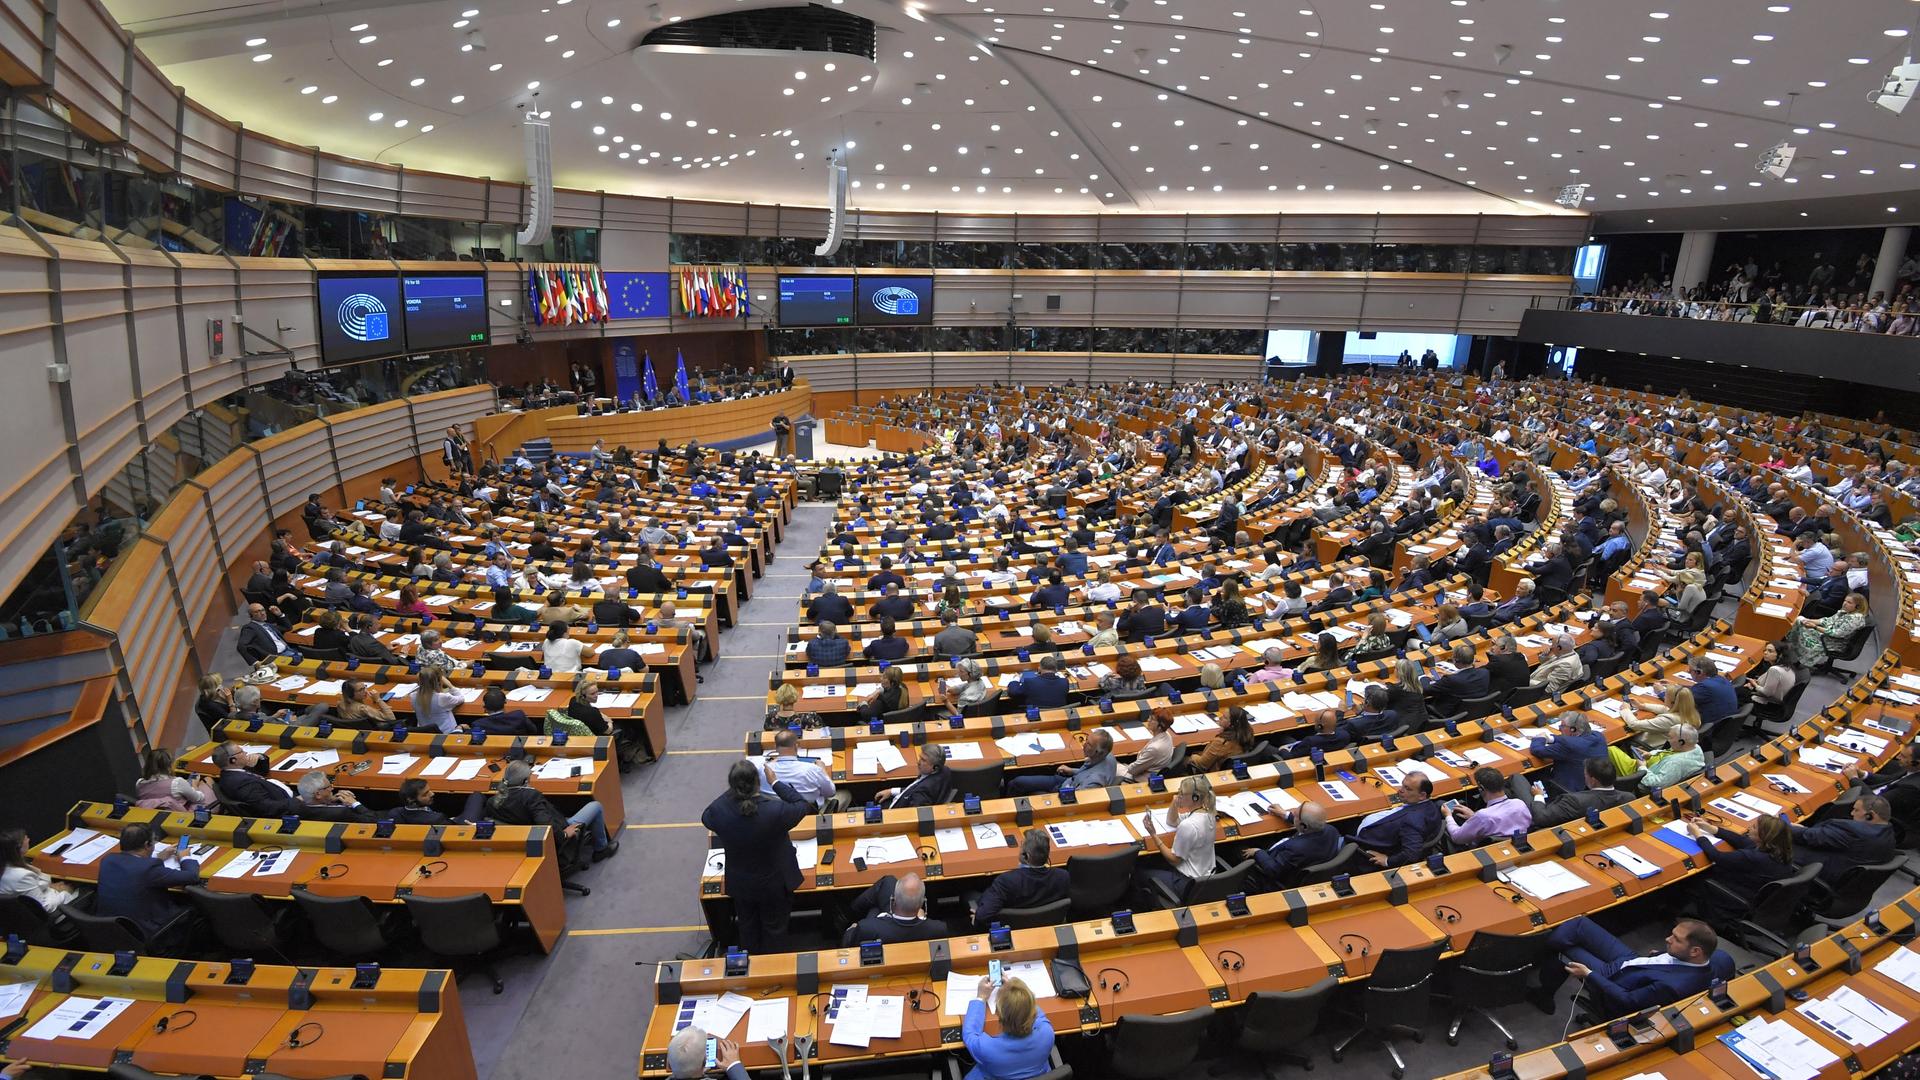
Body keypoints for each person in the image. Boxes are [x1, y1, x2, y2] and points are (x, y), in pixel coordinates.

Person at [701, 759, 814, 951]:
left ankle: (751, 966)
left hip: (741, 883)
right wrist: (776, 783)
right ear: (758, 782)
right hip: (775, 883)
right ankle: (772, 969)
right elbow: (802, 804)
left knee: (747, 927)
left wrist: (733, 789)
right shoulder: (776, 811)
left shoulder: (719, 812)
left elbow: (706, 816)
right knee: (775, 929)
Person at [1531, 917, 1727, 1017]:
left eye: (1676, 939)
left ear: (1695, 952)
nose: (1667, 939)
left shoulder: (1672, 986)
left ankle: (1542, 992)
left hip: (1613, 979)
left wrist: (1589, 974)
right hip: (1632, 961)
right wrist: (1659, 956)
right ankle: (1545, 949)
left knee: (1562, 948)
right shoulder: (1715, 957)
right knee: (1579, 925)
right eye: (1671, 934)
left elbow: (1628, 1000)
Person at [489, 759, 618, 862]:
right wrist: (564, 834)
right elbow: (544, 822)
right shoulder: (531, 796)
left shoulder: (493, 800)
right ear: (524, 780)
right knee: (595, 806)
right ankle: (601, 850)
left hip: (526, 841)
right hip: (557, 835)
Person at [1681, 814, 1796, 924]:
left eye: (1754, 827)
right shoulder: (1779, 850)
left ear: (1763, 836)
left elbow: (1716, 856)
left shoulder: (1752, 858)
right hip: (1752, 892)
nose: (1749, 827)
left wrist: (1698, 835)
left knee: (1695, 875)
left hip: (1732, 900)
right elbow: (1742, 841)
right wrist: (1713, 829)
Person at [94, 822, 200, 937]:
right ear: (146, 845)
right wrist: (184, 856)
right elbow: (192, 876)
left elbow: (134, 867)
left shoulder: (108, 860)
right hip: (146, 932)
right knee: (196, 907)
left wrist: (158, 857)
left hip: (111, 929)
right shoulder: (149, 869)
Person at [1136, 775, 1218, 906]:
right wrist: (1174, 802)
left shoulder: (1189, 825)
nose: (1178, 795)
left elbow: (1174, 860)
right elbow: (1172, 821)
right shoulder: (1209, 815)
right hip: (1204, 878)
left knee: (1138, 872)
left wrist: (1153, 834)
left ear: (1195, 797)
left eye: (1182, 793)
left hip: (1186, 883)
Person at [961, 974, 1055, 1080]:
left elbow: (970, 1034)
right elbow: (1033, 1009)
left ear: (998, 1014)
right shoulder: (1047, 1034)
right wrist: (1016, 995)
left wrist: (981, 997)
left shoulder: (987, 1048)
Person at [1791, 793, 1896, 887]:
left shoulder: (1855, 831)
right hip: (1847, 881)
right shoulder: (1888, 833)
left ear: (1870, 815)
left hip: (1817, 873)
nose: (1852, 813)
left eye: (1856, 810)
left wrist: (1781, 825)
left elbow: (1808, 837)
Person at [973, 829, 1069, 928]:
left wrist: (977, 915)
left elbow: (983, 915)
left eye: (1021, 846)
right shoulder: (1064, 876)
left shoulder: (1006, 881)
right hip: (1047, 925)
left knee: (967, 896)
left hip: (1012, 929)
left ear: (1026, 856)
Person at [1353, 772, 1441, 867]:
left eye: (1408, 789)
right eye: (1403, 785)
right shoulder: (1430, 805)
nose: (1400, 790)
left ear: (1422, 795)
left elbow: (1412, 853)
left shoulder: (1412, 820)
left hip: (1366, 844)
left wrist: (1388, 861)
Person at [1251, 801, 1342, 887]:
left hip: (1277, 873)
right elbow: (1307, 824)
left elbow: (1273, 870)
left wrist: (1257, 852)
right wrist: (1284, 814)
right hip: (1303, 861)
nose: (1293, 812)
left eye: (1296, 815)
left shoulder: (1295, 850)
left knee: (1239, 848)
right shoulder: (1331, 830)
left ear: (1303, 826)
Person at [843, 872, 949, 946]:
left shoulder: (866, 927)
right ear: (922, 903)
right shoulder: (938, 929)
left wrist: (853, 927)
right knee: (889, 882)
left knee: (874, 909)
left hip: (882, 929)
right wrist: (922, 918)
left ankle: (845, 915)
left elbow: (847, 942)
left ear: (893, 900)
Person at [1530, 756, 1634, 827]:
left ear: (1593, 780)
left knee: (1517, 779)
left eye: (1585, 775)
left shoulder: (1574, 801)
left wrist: (1539, 796)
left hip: (1548, 820)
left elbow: (1541, 818)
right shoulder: (1629, 798)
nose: (1584, 777)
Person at [1006, 730, 1116, 796]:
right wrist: (1072, 771)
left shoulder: (1094, 782)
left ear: (1099, 752)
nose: (1083, 745)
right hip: (1068, 779)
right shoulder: (1108, 756)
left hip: (1063, 789)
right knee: (1019, 779)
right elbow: (1087, 772)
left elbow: (1075, 799)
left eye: (1089, 744)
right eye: (1086, 740)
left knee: (1017, 782)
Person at [1444, 766, 1533, 847]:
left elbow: (1457, 837)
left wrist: (1448, 816)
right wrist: (1473, 816)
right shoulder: (1519, 804)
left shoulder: (1483, 816)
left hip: (1487, 851)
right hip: (1517, 845)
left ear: (1481, 788)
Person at [0, 827, 81, 914]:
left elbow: (24, 890)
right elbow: (45, 907)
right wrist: (64, 892)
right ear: (19, 847)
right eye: (25, 838)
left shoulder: (8, 865)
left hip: (13, 913)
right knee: (84, 890)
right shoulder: (22, 876)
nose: (28, 839)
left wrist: (49, 886)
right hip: (43, 916)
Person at [212, 741, 299, 816]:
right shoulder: (242, 783)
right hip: (288, 806)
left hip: (282, 796)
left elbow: (262, 772)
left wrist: (260, 757)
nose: (246, 753)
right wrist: (297, 801)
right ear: (233, 760)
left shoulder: (231, 773)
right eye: (241, 752)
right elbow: (268, 808)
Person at [761, 728, 837, 809]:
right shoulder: (813, 770)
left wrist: (771, 763)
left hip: (779, 814)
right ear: (796, 746)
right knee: (845, 795)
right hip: (810, 813)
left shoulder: (764, 771)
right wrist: (822, 769)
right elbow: (831, 792)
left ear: (775, 747)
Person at [1530, 714, 1606, 794]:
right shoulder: (1598, 736)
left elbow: (1537, 750)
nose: (1559, 729)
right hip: (1592, 788)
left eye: (1562, 726)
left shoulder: (1568, 745)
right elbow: (1573, 740)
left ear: (1573, 729)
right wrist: (1551, 738)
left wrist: (1540, 738)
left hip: (1567, 791)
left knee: (1531, 776)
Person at [874, 744, 953, 809]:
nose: (918, 762)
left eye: (923, 760)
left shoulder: (922, 793)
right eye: (920, 758)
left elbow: (913, 816)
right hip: (902, 798)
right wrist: (891, 791)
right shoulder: (944, 770)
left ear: (934, 767)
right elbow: (913, 788)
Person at [134, 749, 215, 812]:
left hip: (157, 814)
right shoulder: (177, 783)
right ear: (169, 765)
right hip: (184, 814)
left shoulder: (139, 783)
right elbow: (199, 798)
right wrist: (194, 784)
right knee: (208, 780)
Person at [1183, 706, 1255, 774]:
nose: (1220, 718)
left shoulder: (1222, 741)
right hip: (1231, 768)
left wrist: (1192, 756)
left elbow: (1202, 764)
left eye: (1224, 717)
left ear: (1231, 724)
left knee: (1182, 759)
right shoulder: (1246, 733)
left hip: (1212, 772)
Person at [1628, 685, 1699, 751]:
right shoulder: (1692, 714)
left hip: (1647, 746)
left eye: (1666, 696)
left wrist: (1625, 709)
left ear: (1673, 702)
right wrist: (1642, 706)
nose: (1664, 697)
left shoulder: (1669, 719)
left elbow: (1633, 724)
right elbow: (1665, 709)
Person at [1638, 723, 1705, 792]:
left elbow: (1656, 784)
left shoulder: (1675, 764)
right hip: (1651, 765)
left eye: (1670, 737)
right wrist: (1651, 754)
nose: (1668, 740)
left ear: (1681, 742)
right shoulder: (1692, 746)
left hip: (1643, 779)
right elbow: (1668, 751)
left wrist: (1642, 768)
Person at [1117, 708, 1177, 782]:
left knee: (1110, 766)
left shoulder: (1155, 748)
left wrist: (1121, 765)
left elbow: (1132, 770)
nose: (1148, 720)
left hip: (1141, 777)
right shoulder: (1167, 735)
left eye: (1152, 719)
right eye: (1149, 717)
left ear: (1160, 725)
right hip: (1146, 767)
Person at [1685, 654, 1738, 728]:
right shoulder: (1722, 679)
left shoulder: (1704, 687)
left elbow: (1679, 700)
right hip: (1724, 725)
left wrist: (1663, 691)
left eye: (1690, 671)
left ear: (1699, 672)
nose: (1688, 672)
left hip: (1709, 727)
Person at [411, 665, 463, 734]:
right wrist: (450, 685)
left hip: (424, 733)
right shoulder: (442, 698)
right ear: (438, 681)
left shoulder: (413, 696)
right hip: (446, 734)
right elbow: (461, 698)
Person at [1006, 654, 1071, 709]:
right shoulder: (1064, 682)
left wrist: (1015, 680)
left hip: (1034, 715)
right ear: (1056, 670)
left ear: (1039, 668)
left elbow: (1013, 692)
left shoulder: (1030, 682)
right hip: (1058, 714)